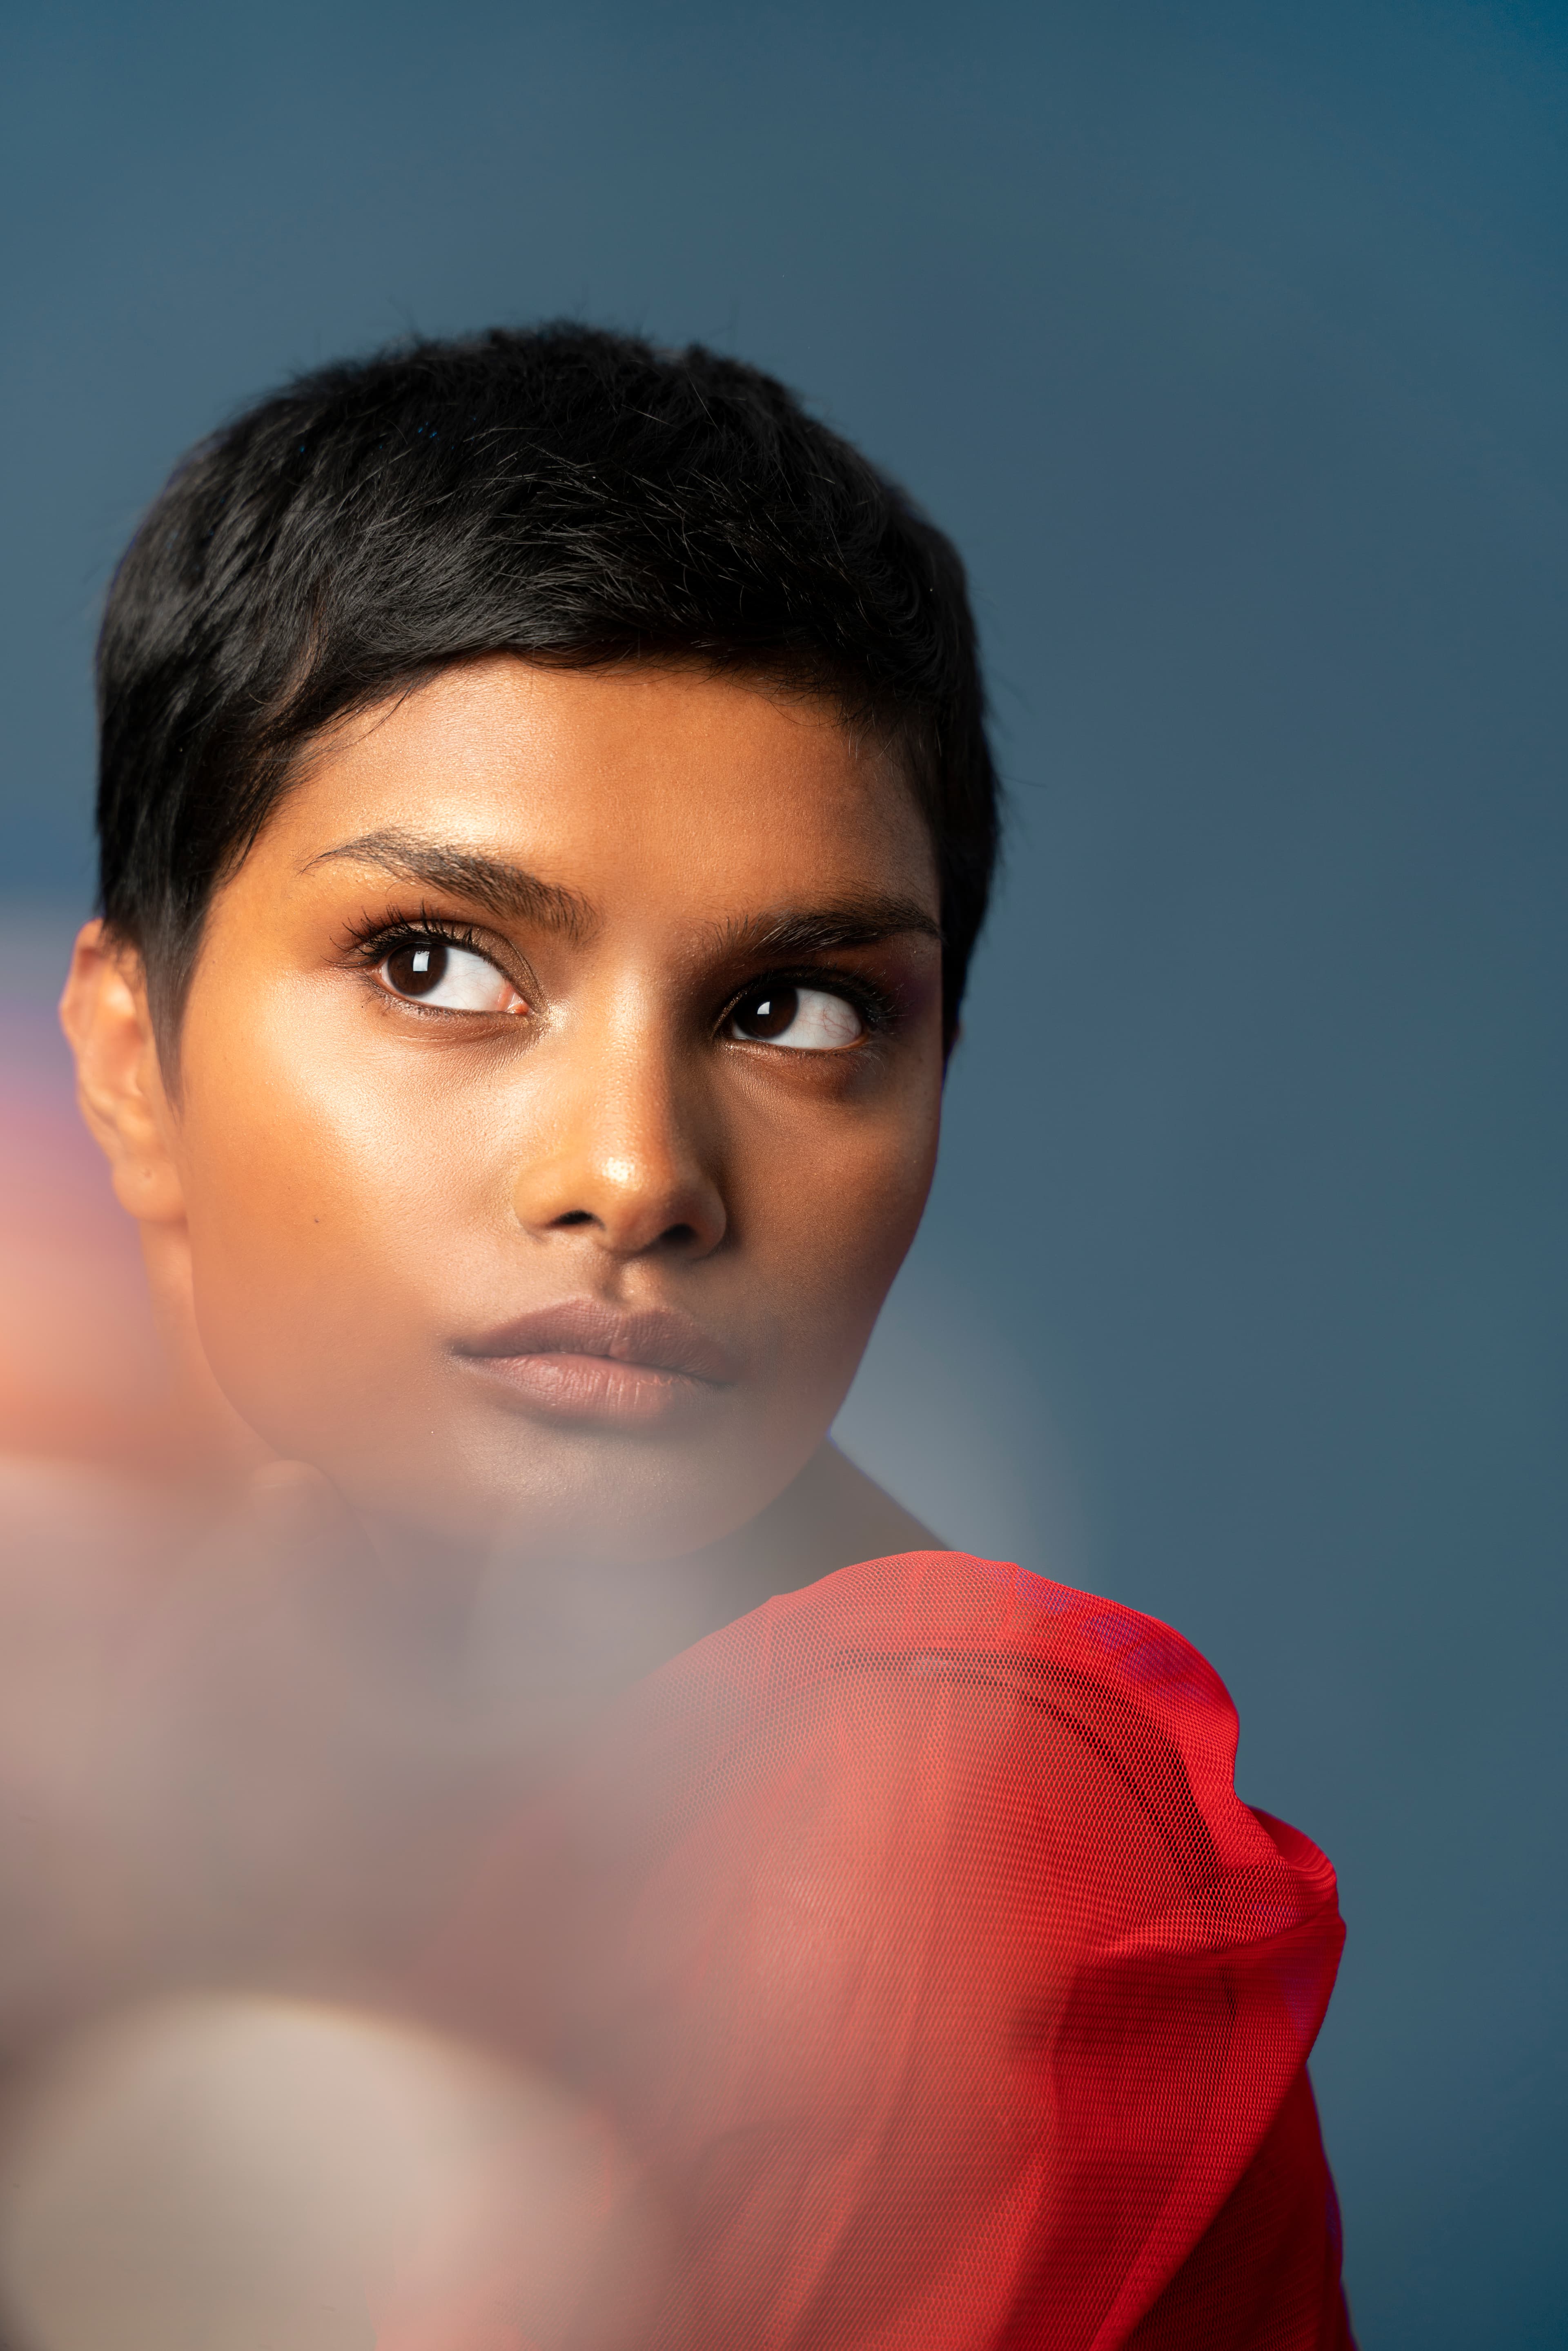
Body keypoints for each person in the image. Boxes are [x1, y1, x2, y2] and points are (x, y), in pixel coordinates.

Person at [54, 325, 1354, 2347]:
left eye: (801, 1009)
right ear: (131, 1061)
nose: (635, 1169)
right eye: (439, 964)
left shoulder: (963, 1824)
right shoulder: (219, 1705)